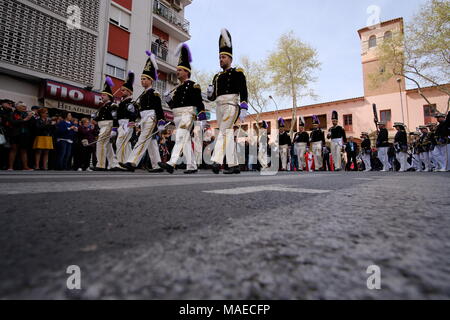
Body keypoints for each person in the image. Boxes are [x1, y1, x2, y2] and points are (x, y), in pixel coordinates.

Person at [160, 43, 206, 174]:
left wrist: (202, 116)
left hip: (188, 113)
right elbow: (174, 106)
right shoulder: (177, 88)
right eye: (177, 69)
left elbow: (198, 102)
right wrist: (168, 100)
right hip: (177, 115)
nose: (177, 72)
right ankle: (192, 166)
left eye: (180, 70)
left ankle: (171, 162)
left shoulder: (193, 85)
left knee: (180, 136)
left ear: (187, 71)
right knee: (185, 140)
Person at [207, 29, 248, 175]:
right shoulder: (216, 76)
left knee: (223, 133)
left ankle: (216, 160)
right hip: (219, 106)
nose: (221, 60)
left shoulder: (237, 72)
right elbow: (212, 97)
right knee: (228, 135)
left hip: (231, 105)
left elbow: (243, 89)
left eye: (223, 57)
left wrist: (244, 106)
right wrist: (209, 94)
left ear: (230, 58)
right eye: (219, 57)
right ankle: (234, 165)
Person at [120, 51, 166, 173]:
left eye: (145, 79)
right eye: (141, 79)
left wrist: (161, 122)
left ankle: (132, 162)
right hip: (144, 118)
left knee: (143, 139)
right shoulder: (142, 95)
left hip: (151, 118)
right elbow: (139, 110)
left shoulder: (154, 93)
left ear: (151, 80)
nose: (142, 81)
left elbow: (159, 109)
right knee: (151, 142)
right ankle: (157, 165)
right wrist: (134, 113)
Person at [116, 71, 137, 167]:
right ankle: (128, 163)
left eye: (124, 90)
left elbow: (136, 114)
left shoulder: (132, 102)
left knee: (120, 142)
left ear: (129, 92)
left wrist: (132, 111)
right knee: (126, 144)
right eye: (122, 90)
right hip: (121, 124)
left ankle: (121, 162)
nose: (122, 92)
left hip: (127, 124)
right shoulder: (121, 102)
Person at [8, 102, 34, 171]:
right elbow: (13, 122)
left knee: (24, 150)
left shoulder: (26, 114)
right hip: (15, 134)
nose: (25, 108)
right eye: (22, 106)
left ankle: (25, 167)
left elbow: (32, 125)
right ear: (17, 107)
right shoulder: (13, 113)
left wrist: (31, 117)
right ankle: (10, 167)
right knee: (14, 149)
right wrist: (24, 120)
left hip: (25, 134)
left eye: (25, 106)